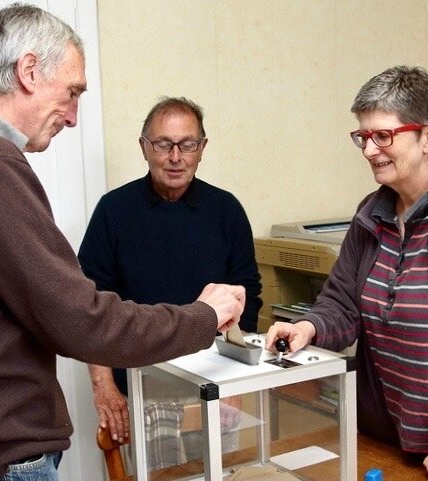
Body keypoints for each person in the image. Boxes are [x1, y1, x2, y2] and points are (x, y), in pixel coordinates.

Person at [0, 5, 245, 481]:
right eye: (72, 92)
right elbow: (81, 320)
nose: (75, 117)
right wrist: (203, 317)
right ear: (30, 71)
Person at [266, 66, 428, 481]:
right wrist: (309, 326)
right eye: (363, 137)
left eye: (383, 136)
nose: (370, 150)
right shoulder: (368, 213)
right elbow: (341, 302)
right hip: (389, 438)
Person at [78, 96, 262, 465]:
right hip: (142, 391)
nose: (176, 157)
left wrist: (235, 385)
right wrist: (104, 385)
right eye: (164, 144)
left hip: (214, 383)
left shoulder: (226, 210)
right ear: (145, 148)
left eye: (187, 144)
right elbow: (88, 307)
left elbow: (248, 301)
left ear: (202, 148)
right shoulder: (113, 211)